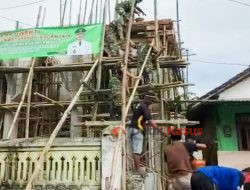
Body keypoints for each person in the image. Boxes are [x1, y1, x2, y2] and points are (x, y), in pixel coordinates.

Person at [129, 91, 159, 174]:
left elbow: (141, 119)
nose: (151, 103)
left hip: (132, 128)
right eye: (151, 101)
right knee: (137, 151)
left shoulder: (139, 104)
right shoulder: (144, 106)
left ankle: (136, 167)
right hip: (137, 130)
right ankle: (138, 169)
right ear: (148, 99)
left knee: (135, 149)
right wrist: (160, 130)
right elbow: (149, 121)